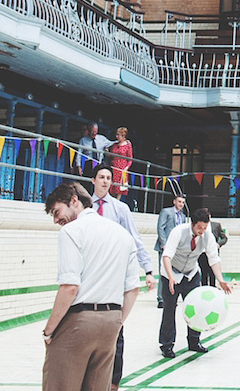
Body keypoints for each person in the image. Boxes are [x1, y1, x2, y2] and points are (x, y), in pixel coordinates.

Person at [42, 182, 139, 391]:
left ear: (74, 200)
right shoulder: (123, 235)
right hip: (111, 322)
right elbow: (133, 288)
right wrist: (118, 322)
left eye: (57, 211)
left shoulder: (71, 231)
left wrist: (49, 330)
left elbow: (69, 287)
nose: (56, 219)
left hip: (78, 321)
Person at [90, 164, 155, 391]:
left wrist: (147, 270)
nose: (106, 181)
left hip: (113, 277)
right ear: (93, 180)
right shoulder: (84, 208)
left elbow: (135, 239)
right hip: (89, 278)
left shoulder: (120, 209)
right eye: (102, 177)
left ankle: (113, 383)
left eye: (109, 178)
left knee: (116, 330)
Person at [159, 207, 232, 358]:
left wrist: (221, 280)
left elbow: (214, 258)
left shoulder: (208, 236)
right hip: (171, 273)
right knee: (169, 309)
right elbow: (166, 256)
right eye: (199, 227)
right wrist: (170, 277)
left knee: (198, 307)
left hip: (191, 274)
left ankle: (194, 341)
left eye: (205, 227)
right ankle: (166, 345)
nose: (202, 230)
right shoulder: (179, 232)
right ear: (192, 224)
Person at [155, 194, 187, 308]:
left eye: (183, 202)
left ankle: (171, 298)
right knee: (163, 272)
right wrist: (164, 244)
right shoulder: (166, 212)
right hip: (165, 247)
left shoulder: (183, 216)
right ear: (174, 202)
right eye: (179, 202)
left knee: (174, 273)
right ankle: (160, 298)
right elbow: (160, 228)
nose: (181, 204)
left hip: (176, 249)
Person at [200, 216, 228, 286]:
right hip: (202, 252)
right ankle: (204, 287)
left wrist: (218, 244)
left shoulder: (216, 225)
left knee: (213, 272)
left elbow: (224, 238)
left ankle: (213, 287)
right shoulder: (199, 226)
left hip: (213, 251)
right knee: (204, 272)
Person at [107, 127, 133, 200]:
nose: (116, 137)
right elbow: (110, 157)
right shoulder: (114, 144)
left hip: (122, 169)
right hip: (113, 167)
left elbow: (130, 158)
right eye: (116, 135)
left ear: (123, 136)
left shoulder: (128, 145)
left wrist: (126, 168)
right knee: (111, 188)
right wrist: (107, 152)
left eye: (118, 135)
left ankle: (117, 204)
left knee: (119, 190)